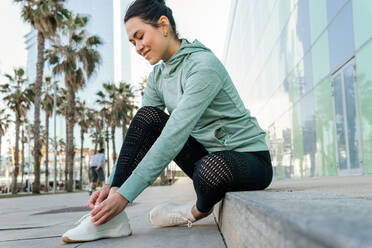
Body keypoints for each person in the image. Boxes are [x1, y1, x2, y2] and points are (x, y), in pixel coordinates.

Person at [62, 0, 273, 243]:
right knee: (147, 117)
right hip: (207, 155)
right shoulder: (158, 76)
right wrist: (112, 186)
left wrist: (126, 197)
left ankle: (193, 211)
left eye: (140, 36)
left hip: (249, 159)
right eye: (132, 42)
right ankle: (111, 220)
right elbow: (141, 134)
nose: (138, 47)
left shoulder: (203, 66)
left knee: (209, 171)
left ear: (163, 25)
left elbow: (173, 135)